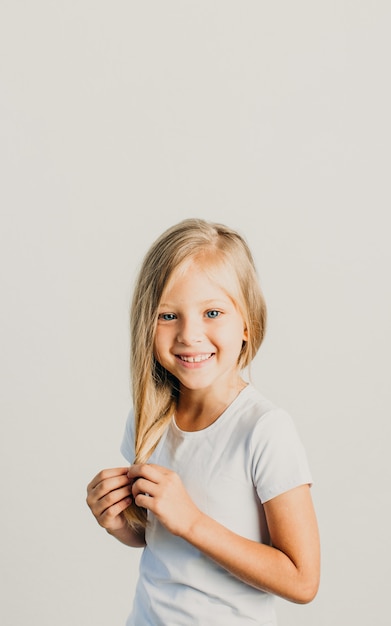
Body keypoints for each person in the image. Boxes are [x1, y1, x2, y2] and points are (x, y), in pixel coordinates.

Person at [86, 217, 320, 625]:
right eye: (167, 316)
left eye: (212, 312)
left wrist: (193, 521)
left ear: (247, 323)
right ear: (147, 324)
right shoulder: (149, 419)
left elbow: (302, 580)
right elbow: (158, 540)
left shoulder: (265, 430)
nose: (190, 335)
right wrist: (117, 522)